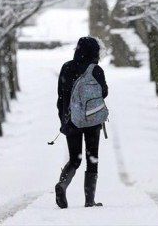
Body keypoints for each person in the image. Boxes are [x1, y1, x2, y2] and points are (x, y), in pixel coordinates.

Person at [55, 36, 108, 209]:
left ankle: (62, 185)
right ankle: (89, 200)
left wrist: (64, 119)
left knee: (74, 158)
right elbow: (104, 93)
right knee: (92, 158)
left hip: (72, 121)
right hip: (92, 121)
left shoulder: (66, 67)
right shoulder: (96, 70)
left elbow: (61, 96)